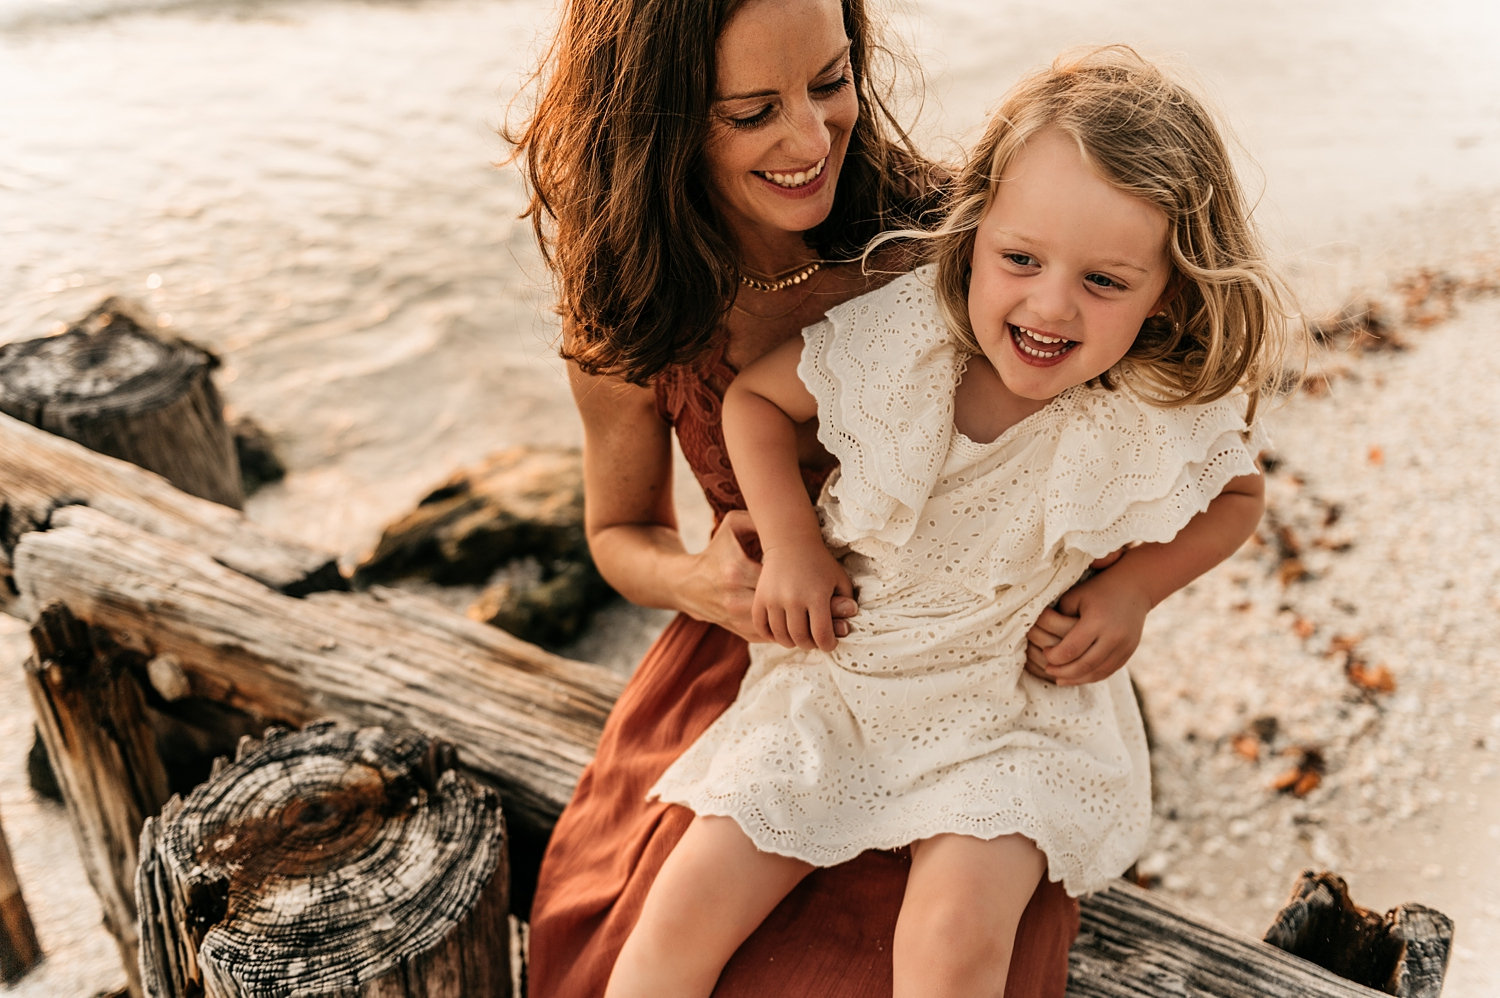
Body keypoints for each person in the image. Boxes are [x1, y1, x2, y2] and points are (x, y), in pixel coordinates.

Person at [606, 46, 1302, 997]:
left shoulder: (1146, 399)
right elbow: (755, 408)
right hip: (843, 679)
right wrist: (794, 547)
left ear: (1169, 290)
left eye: (1106, 282)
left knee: (955, 939)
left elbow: (1237, 496)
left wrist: (1132, 593)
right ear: (973, 234)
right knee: (682, 906)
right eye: (1020, 259)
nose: (1050, 306)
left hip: (1007, 712)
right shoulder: (912, 338)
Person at [507, 1, 1090, 995]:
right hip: (757, 655)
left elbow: (1103, 436)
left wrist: (1108, 598)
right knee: (632, 943)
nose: (810, 138)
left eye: (831, 81)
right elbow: (618, 531)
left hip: (966, 667)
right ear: (659, 119)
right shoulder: (631, 295)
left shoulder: (953, 240)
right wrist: (701, 579)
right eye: (752, 111)